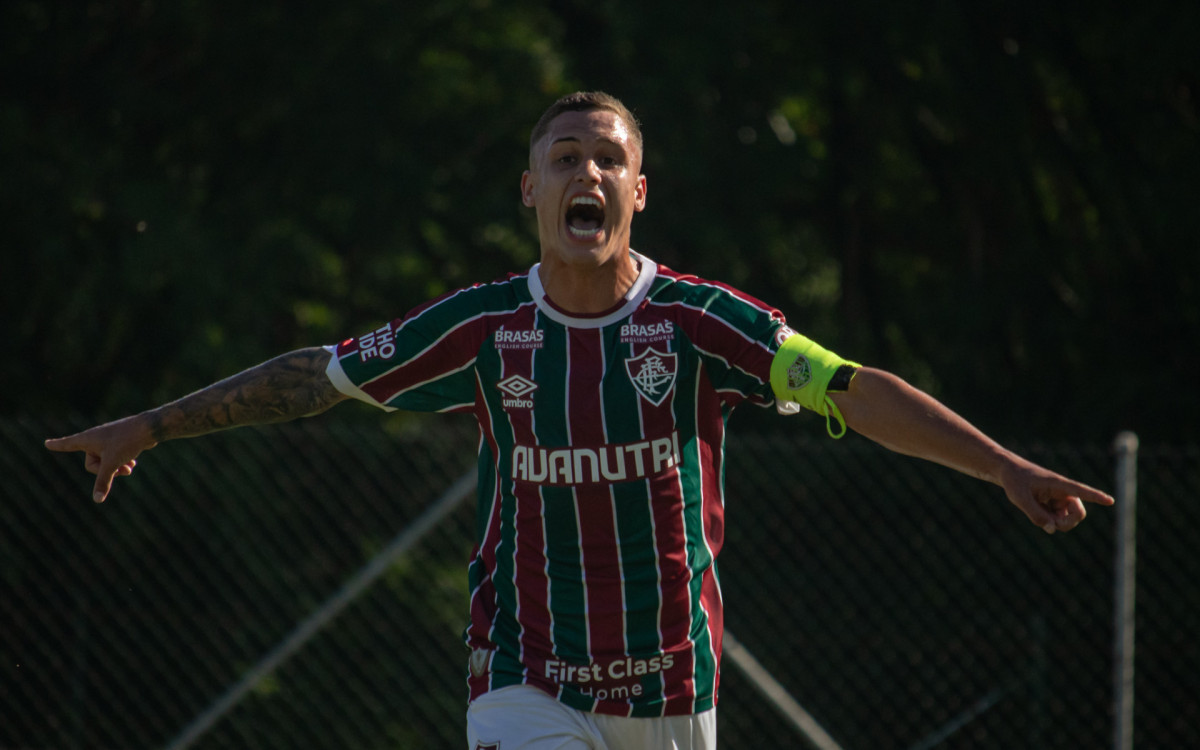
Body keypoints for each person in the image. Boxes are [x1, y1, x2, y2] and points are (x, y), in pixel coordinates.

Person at [46, 91, 1114, 750]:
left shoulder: (703, 322)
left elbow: (853, 387)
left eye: (607, 158)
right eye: (565, 157)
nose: (586, 172)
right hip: (522, 679)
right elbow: (312, 376)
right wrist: (149, 426)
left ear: (639, 190)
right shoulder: (481, 330)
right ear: (531, 190)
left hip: (674, 690)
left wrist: (1005, 468)